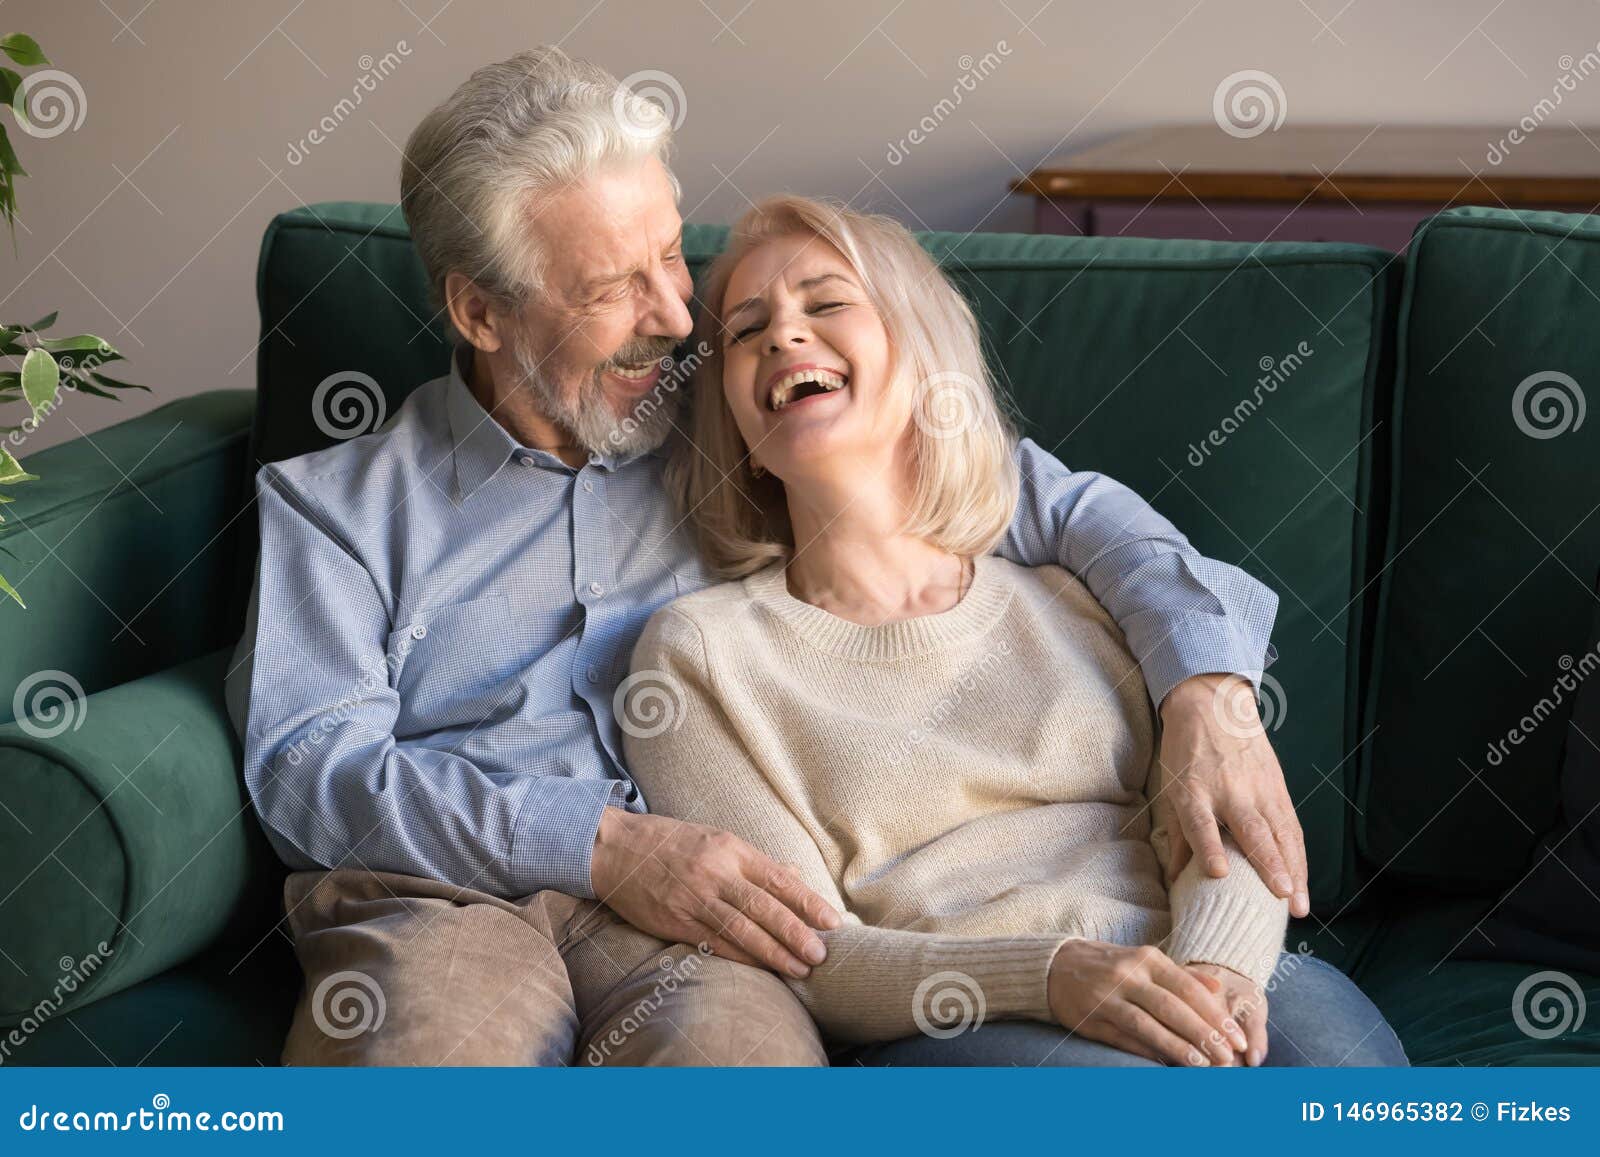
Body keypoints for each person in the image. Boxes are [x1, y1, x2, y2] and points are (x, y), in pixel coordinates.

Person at [227, 47, 1308, 1067]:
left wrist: (1208, 693)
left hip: (712, 917)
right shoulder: (336, 506)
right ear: (481, 311)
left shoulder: (745, 415)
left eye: (669, 256)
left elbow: (1057, 508)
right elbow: (309, 766)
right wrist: (598, 845)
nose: (674, 314)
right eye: (612, 287)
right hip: (441, 896)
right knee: (432, 1061)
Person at [623, 195, 1408, 1067]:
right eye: (745, 329)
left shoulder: (1077, 593)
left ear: (922, 356)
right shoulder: (698, 655)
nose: (782, 335)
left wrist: (1215, 971)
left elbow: (1230, 816)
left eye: (827, 301)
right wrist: (1051, 973)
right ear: (737, 423)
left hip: (1200, 957)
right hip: (971, 1013)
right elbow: (811, 958)